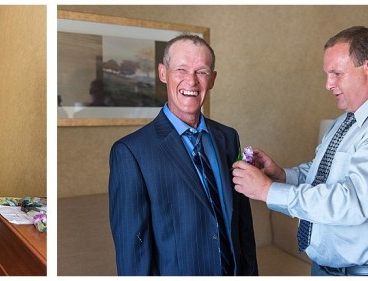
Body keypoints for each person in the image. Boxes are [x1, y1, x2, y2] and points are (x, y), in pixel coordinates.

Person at [232, 26, 368, 276]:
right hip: (325, 269)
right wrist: (281, 175)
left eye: (336, 73)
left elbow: (355, 201)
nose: (327, 84)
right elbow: (324, 174)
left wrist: (268, 191)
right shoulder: (344, 121)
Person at [108, 34, 258, 276]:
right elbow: (132, 251)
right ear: (163, 73)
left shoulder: (228, 138)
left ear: (213, 79)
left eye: (202, 72)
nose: (191, 81)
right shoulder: (130, 152)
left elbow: (242, 225)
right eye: (181, 69)